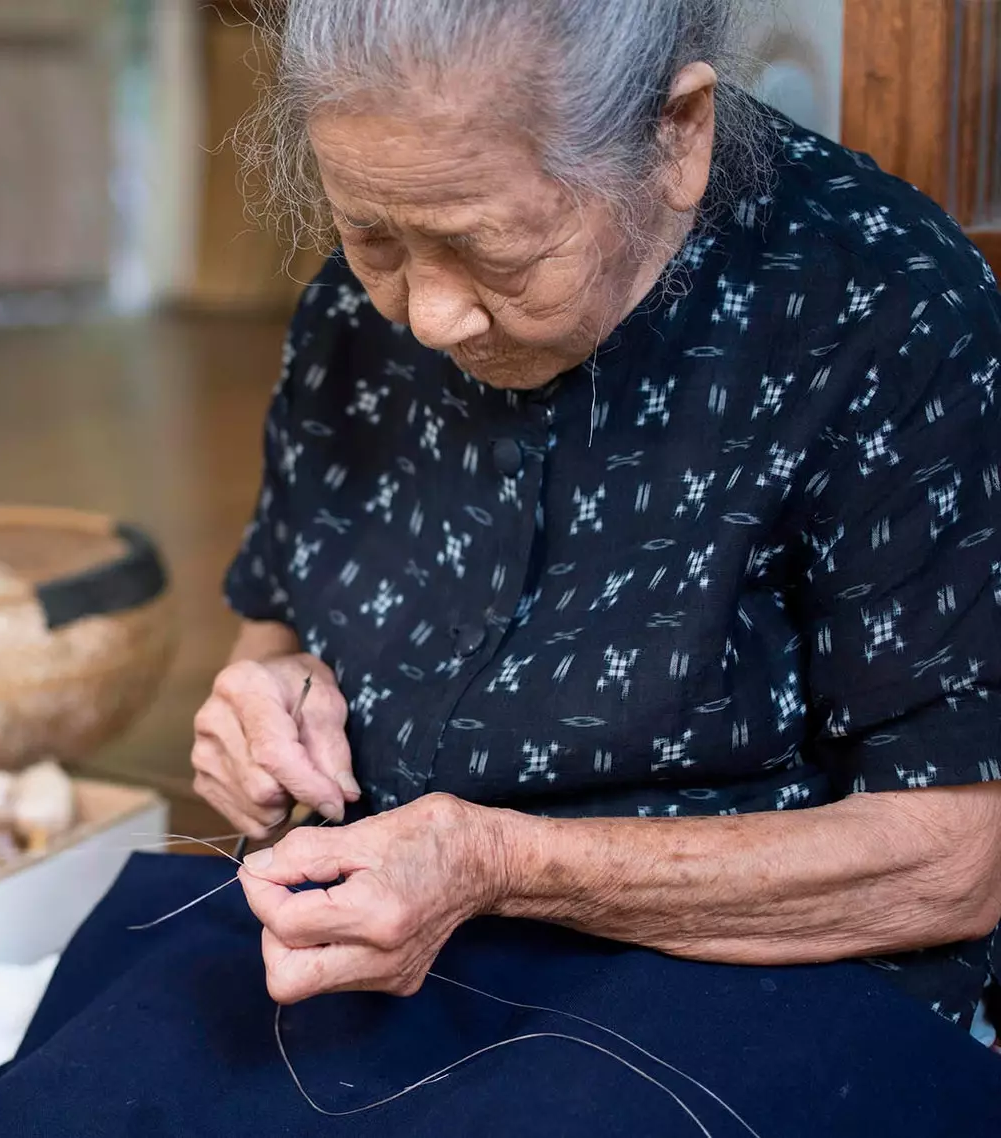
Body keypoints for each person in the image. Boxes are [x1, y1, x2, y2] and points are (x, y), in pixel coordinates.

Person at [193, 0, 1001, 1041]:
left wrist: (497, 863)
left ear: (677, 135)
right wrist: (268, 702)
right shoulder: (355, 312)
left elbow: (956, 858)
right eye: (371, 235)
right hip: (375, 934)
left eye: (492, 250)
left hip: (741, 989)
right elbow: (279, 625)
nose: (428, 317)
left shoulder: (878, 309)